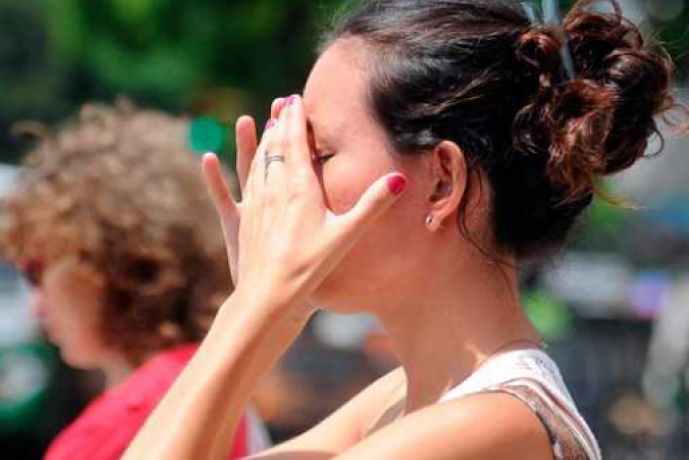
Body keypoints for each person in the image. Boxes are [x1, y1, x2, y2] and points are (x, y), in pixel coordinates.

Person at [121, 0, 685, 459]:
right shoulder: (405, 399)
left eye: (318, 154)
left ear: (442, 180)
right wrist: (267, 310)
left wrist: (254, 308)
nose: (291, 188)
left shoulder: (489, 426)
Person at [0, 101, 270, 460]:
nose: (36, 304)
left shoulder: (114, 428)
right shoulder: (218, 385)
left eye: (35, 272)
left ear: (102, 262)